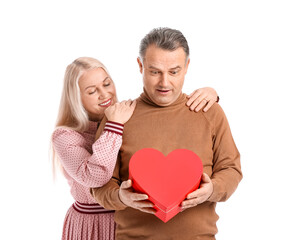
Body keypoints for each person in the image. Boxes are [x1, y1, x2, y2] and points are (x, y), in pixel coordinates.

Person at [92, 28, 242, 240]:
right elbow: (98, 184)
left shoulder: (209, 112)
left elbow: (231, 169)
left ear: (187, 67)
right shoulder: (118, 118)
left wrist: (212, 190)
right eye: (155, 72)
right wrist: (120, 197)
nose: (164, 83)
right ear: (140, 65)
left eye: (174, 72)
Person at [51, 57, 219, 240]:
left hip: (130, 220)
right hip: (92, 224)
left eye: (107, 84)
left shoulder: (126, 113)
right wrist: (113, 124)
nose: (104, 94)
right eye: (92, 91)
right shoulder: (65, 136)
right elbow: (96, 176)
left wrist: (210, 96)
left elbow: (161, 120)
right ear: (75, 98)